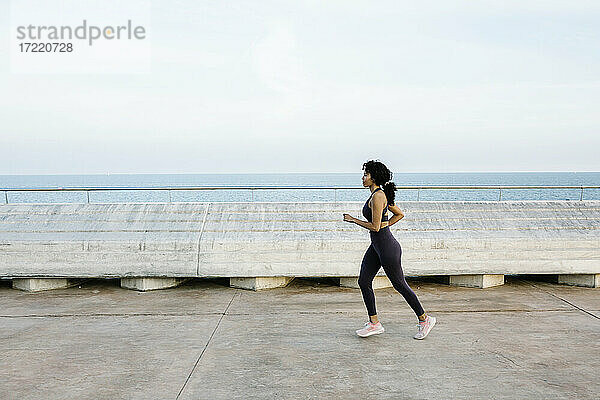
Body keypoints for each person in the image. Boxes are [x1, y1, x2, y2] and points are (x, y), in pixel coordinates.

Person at [343, 160, 436, 339]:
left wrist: (354, 219)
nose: (363, 177)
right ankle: (374, 323)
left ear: (374, 177)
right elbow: (398, 214)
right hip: (377, 246)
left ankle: (425, 319)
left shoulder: (378, 196)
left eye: (366, 175)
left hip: (387, 247)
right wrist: (385, 225)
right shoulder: (377, 194)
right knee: (363, 281)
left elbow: (376, 227)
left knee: (399, 284)